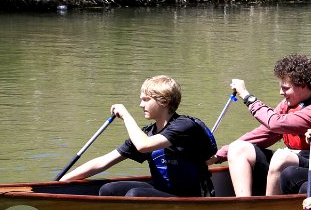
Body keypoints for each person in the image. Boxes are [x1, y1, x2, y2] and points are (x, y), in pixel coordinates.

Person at [59, 75, 217, 197]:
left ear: (164, 101)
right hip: (162, 193)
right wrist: (61, 182)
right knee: (109, 190)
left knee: (135, 194)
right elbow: (103, 162)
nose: (141, 105)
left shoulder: (184, 126)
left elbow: (144, 146)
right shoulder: (147, 132)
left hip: (191, 199)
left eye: (146, 100)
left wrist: (126, 116)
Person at [212, 54, 311, 196]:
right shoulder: (291, 102)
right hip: (293, 160)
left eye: (286, 88)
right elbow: (266, 132)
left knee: (281, 157)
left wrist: (247, 97)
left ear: (303, 86)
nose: (281, 92)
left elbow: (275, 123)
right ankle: (244, 207)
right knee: (238, 148)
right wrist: (218, 156)